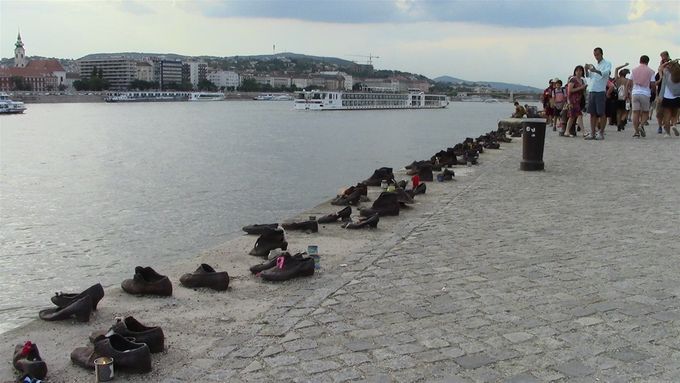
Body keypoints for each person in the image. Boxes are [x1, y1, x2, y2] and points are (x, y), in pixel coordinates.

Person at [585, 47, 612, 140]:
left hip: (600, 90)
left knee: (601, 113)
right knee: (592, 113)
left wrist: (594, 70)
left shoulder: (607, 63)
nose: (596, 56)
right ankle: (592, 133)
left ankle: (601, 132)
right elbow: (589, 76)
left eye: (597, 54)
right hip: (592, 90)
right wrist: (586, 69)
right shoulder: (595, 65)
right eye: (595, 55)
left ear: (601, 54)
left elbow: (606, 73)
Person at [627, 55, 656, 138]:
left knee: (635, 113)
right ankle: (641, 125)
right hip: (645, 93)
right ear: (648, 62)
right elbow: (653, 84)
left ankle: (636, 132)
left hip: (635, 93)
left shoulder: (634, 70)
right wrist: (654, 92)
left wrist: (627, 93)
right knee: (645, 112)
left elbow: (629, 83)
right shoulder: (651, 71)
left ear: (640, 61)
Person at [658, 58, 680, 137]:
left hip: (667, 97)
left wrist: (668, 62)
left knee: (667, 116)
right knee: (675, 114)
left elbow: (660, 68)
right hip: (677, 97)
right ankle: (674, 124)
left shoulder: (667, 73)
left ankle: (668, 133)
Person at [566, 66, 587, 137]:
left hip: (578, 100)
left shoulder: (582, 80)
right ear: (575, 72)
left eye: (580, 70)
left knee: (572, 117)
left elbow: (583, 91)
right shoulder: (573, 80)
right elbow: (570, 90)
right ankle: (584, 132)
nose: (579, 72)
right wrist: (580, 87)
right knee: (579, 115)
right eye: (577, 70)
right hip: (573, 100)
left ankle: (567, 131)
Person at [656, 51, 671, 133]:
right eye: (661, 56)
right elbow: (657, 78)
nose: (662, 58)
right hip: (661, 91)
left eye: (663, 56)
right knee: (659, 111)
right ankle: (660, 126)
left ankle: (666, 125)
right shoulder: (660, 66)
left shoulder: (672, 64)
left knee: (668, 111)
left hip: (669, 91)